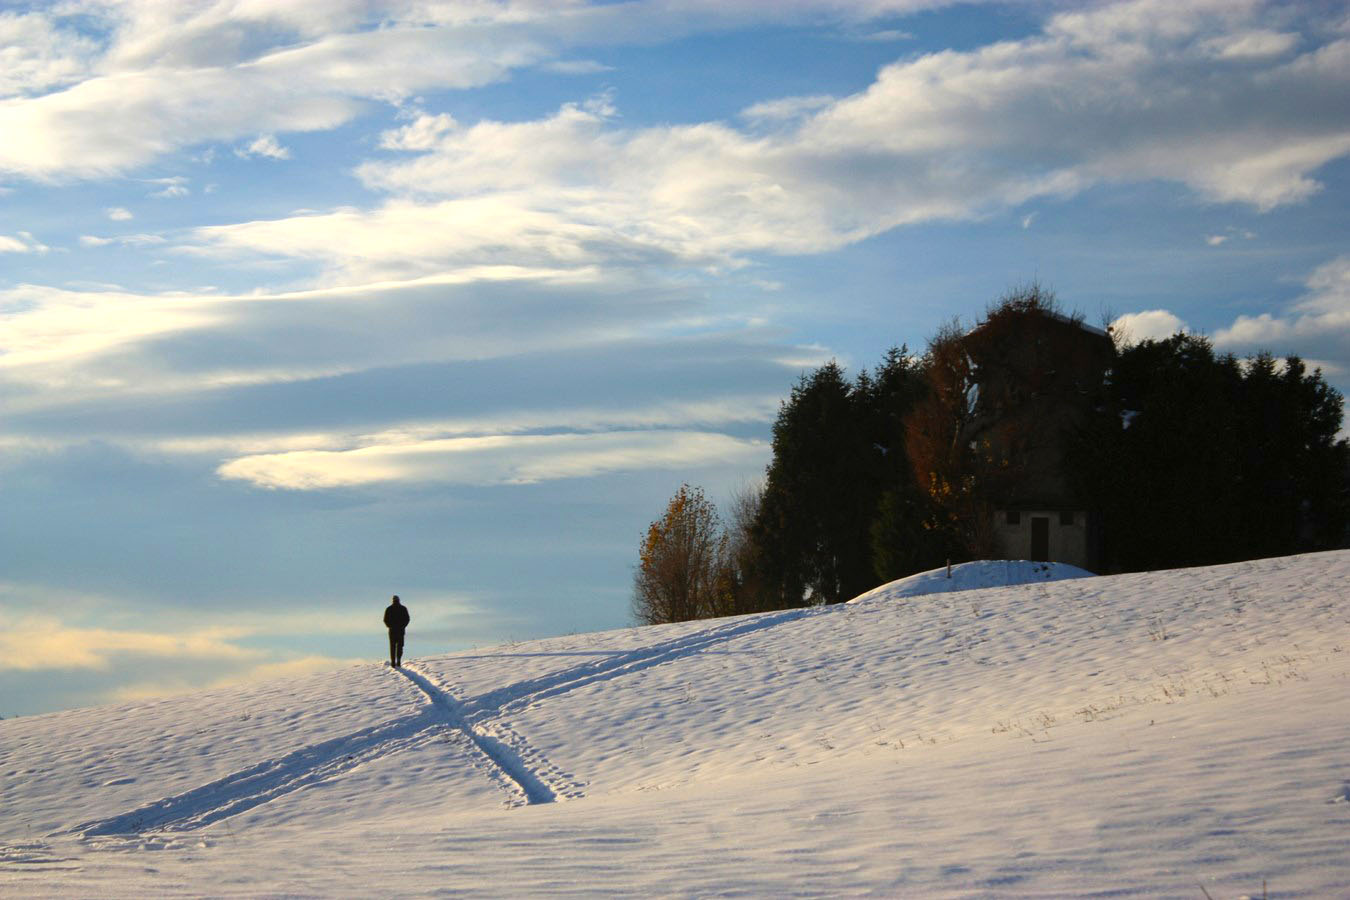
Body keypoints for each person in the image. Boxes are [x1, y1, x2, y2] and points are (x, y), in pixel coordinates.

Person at [383, 595, 410, 668]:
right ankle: (398, 660)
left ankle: (393, 661)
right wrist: (403, 626)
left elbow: (385, 620)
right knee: (400, 646)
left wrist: (390, 626)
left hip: (392, 631)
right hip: (400, 630)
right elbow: (407, 619)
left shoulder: (389, 609)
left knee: (392, 646)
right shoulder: (403, 608)